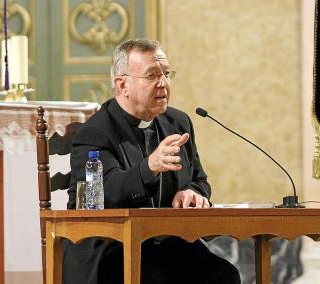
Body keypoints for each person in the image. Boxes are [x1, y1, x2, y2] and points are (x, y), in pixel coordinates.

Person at [64, 38, 241, 284]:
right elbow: (103, 193)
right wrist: (149, 168)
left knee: (223, 276)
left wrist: (192, 193)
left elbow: (199, 180)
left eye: (167, 74)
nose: (164, 83)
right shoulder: (95, 133)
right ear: (122, 84)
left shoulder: (178, 123)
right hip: (109, 247)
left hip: (163, 243)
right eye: (152, 76)